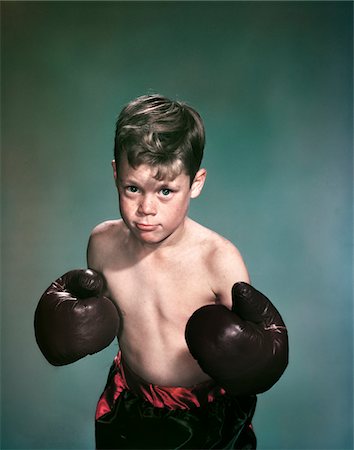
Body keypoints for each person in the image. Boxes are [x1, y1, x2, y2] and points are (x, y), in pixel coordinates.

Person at [34, 94, 288, 449]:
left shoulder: (219, 259)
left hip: (203, 415)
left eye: (166, 191)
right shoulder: (102, 244)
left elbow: (247, 349)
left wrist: (256, 362)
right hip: (127, 404)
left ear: (195, 183)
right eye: (132, 188)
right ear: (115, 174)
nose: (146, 209)